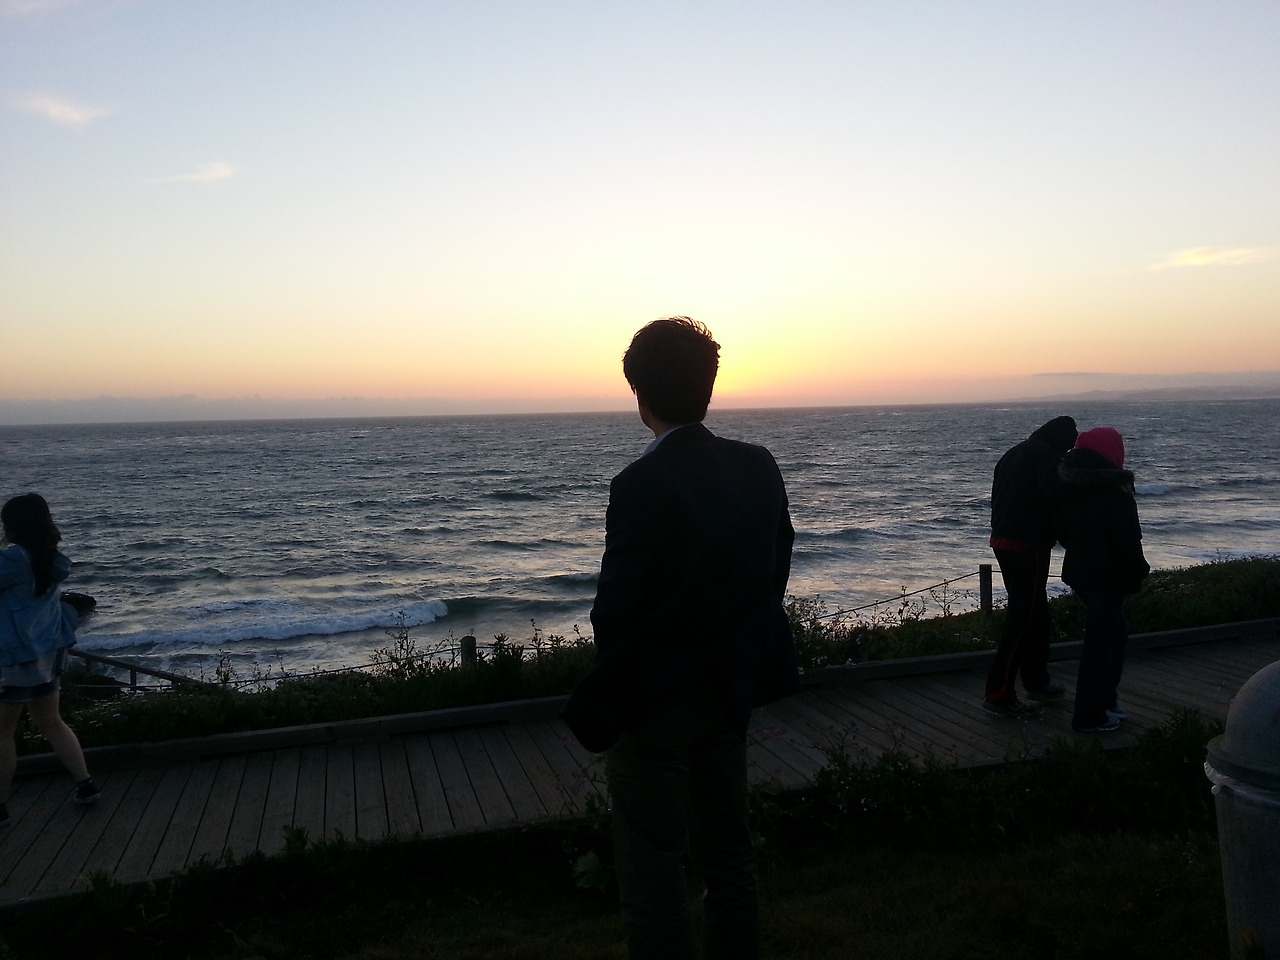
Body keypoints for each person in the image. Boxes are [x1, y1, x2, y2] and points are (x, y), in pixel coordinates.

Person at [562, 317, 798, 960]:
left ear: (637, 393)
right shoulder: (758, 466)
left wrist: (618, 685)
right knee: (729, 854)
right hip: (729, 686)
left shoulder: (639, 484)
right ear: (709, 387)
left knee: (652, 866)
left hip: (656, 699)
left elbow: (617, 609)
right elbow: (773, 568)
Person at [0, 493, 100, 828]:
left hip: (17, 659)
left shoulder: (15, 558)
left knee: (3, 734)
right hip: (48, 652)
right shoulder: (50, 555)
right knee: (51, 721)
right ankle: (85, 784)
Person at [1055, 427, 1150, 732]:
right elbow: (1128, 541)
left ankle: (1106, 701)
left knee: (1113, 634)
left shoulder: (1070, 487)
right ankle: (1089, 715)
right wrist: (1140, 570)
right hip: (1108, 578)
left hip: (1080, 573)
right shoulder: (1116, 494)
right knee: (1100, 646)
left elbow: (1063, 533)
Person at [983, 415, 1078, 717]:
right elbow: (1057, 496)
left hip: (1002, 539)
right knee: (1023, 618)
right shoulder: (1047, 457)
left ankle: (1036, 681)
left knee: (1035, 612)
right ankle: (999, 693)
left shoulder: (1013, 452)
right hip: (1029, 544)